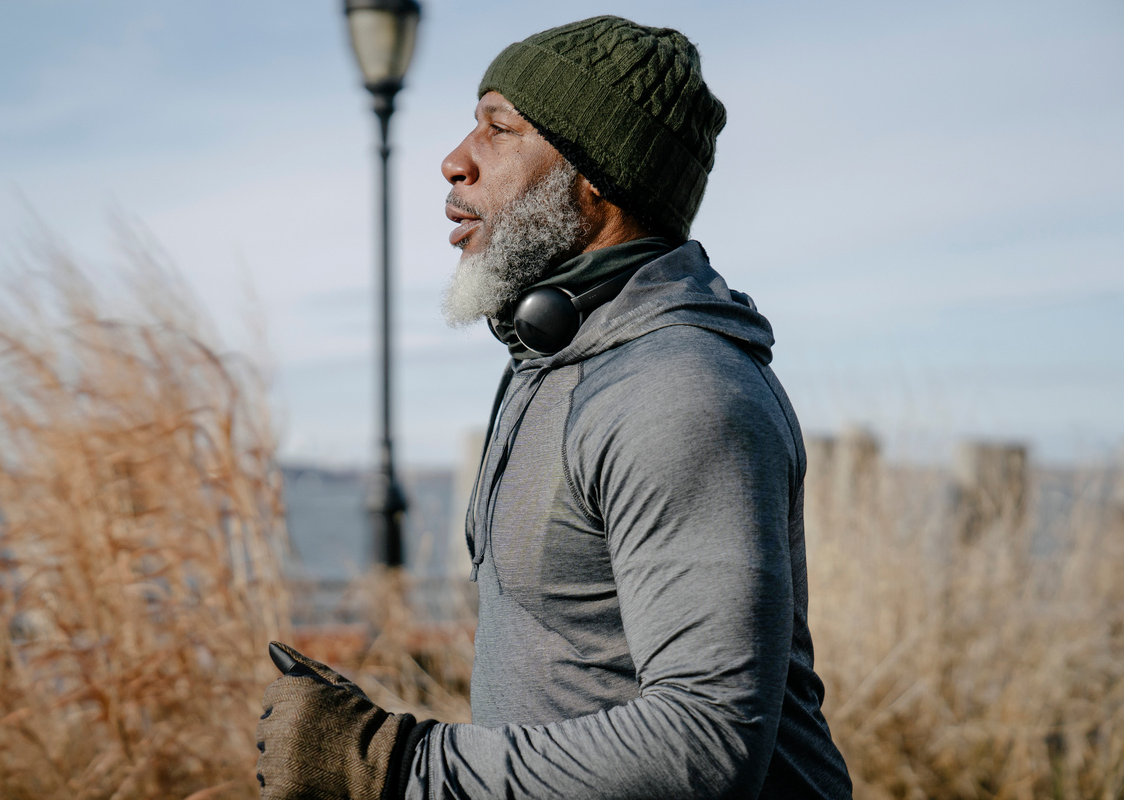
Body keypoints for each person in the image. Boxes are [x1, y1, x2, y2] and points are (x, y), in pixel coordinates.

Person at [257, 15, 853, 800]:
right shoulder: (554, 355)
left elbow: (704, 741)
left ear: (596, 173)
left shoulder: (679, 391)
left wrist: (392, 767)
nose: (454, 161)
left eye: (498, 129)